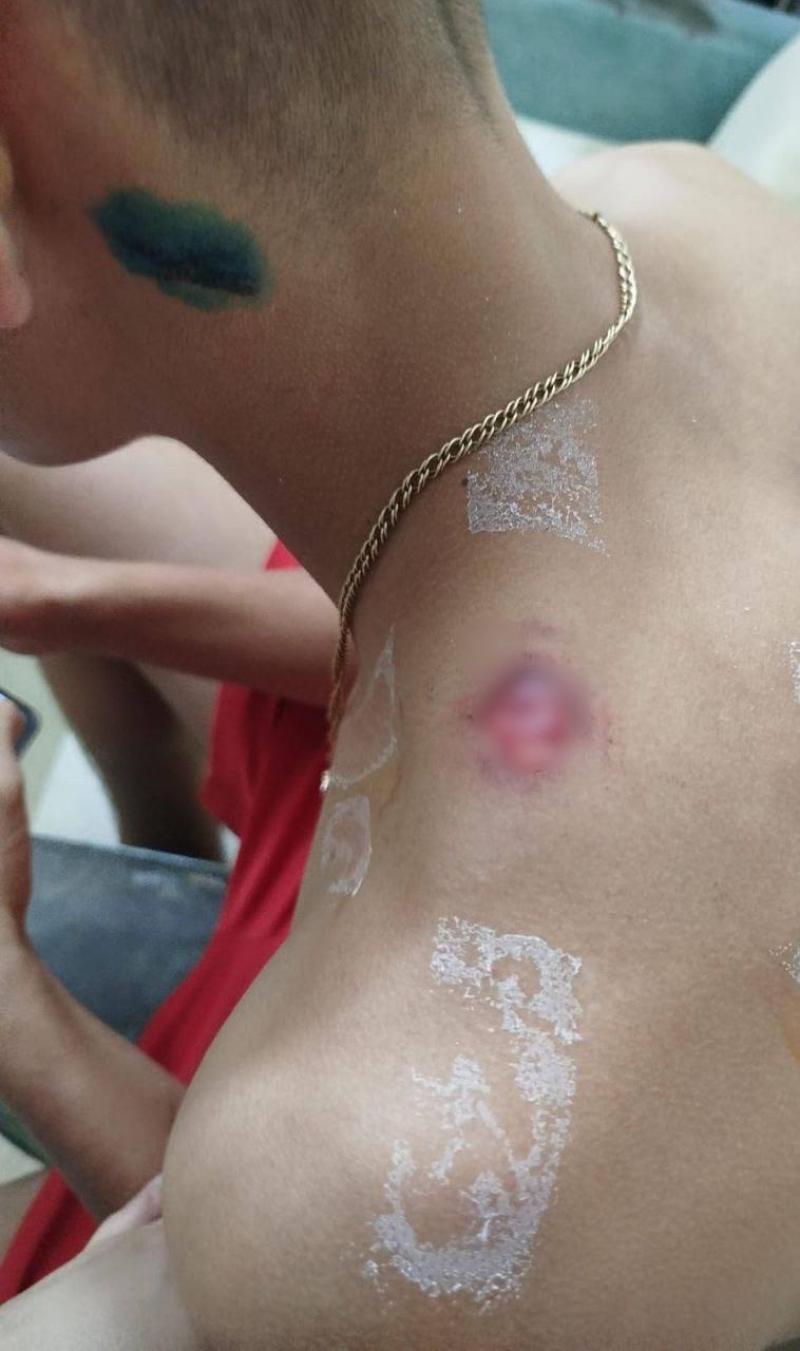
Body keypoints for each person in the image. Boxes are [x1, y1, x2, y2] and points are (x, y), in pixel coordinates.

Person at [0, 0, 799, 1347]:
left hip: (412, 1057)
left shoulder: (398, 1170)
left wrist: (18, 1013)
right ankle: (170, 860)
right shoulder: (691, 215)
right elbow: (519, 693)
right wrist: (61, 598)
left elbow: (308, 1264)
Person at [0, 450, 338, 1292]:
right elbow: (447, 631)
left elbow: (266, 1274)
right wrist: (53, 596)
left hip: (255, 1098)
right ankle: (164, 847)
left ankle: (164, 887)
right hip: (362, 771)